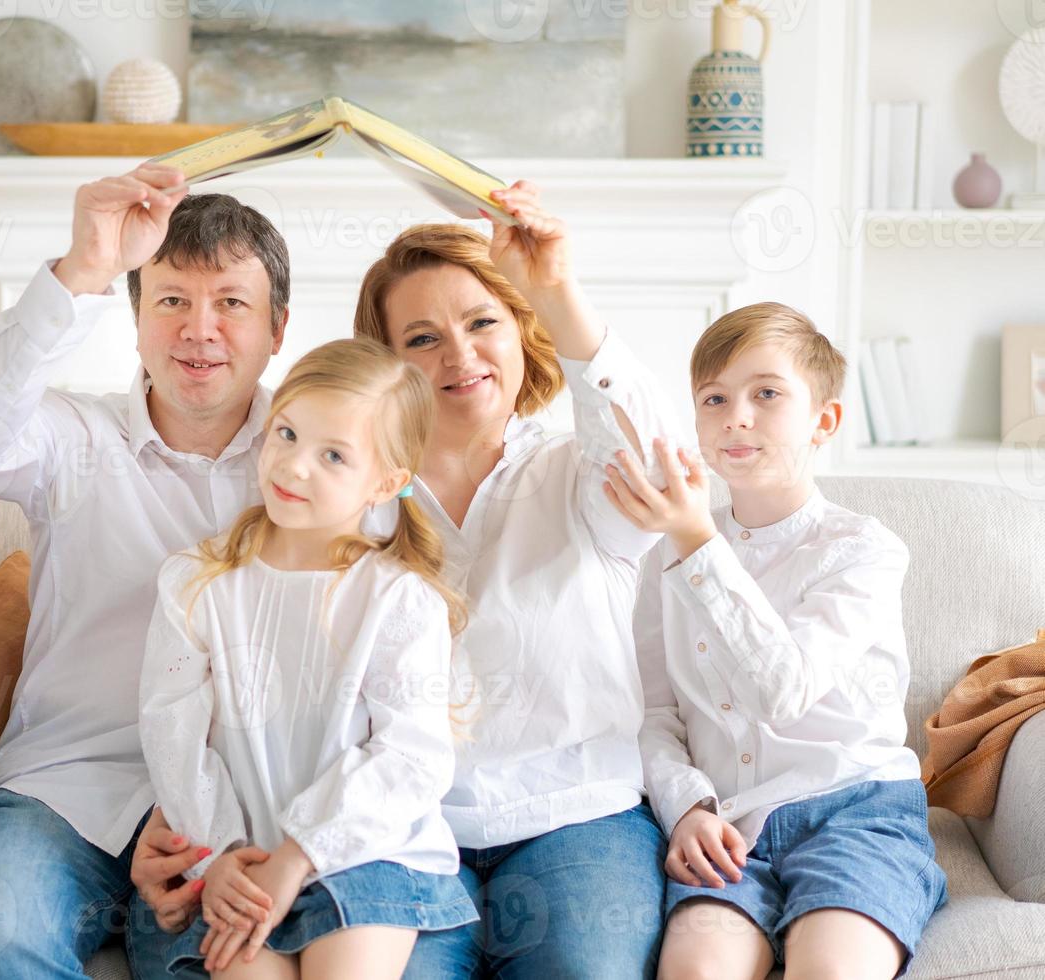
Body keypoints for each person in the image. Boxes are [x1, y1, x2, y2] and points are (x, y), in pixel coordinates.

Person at [0, 164, 291, 978]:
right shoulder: (71, 437)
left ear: (276, 329)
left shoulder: (320, 458)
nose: (199, 330)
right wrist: (85, 266)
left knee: (209, 958)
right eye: (171, 301)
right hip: (68, 783)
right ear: (133, 322)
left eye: (230, 303)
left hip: (234, 795)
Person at [352, 183, 684, 978]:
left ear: (522, 330)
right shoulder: (353, 498)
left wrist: (556, 286)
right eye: (422, 339)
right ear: (388, 367)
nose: (459, 356)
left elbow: (663, 466)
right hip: (407, 827)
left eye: (481, 323)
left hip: (576, 818)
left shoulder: (579, 472)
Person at [605, 302, 947, 979]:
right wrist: (688, 807)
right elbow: (653, 714)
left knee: (832, 970)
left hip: (856, 809)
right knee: (697, 970)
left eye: (766, 393)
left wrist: (695, 541)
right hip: (731, 823)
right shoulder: (663, 559)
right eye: (714, 398)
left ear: (824, 421)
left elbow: (782, 689)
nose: (736, 415)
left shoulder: (863, 551)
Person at [140, 338, 479, 978]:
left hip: (367, 853)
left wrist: (298, 854)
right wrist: (218, 859)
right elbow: (173, 736)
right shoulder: (196, 583)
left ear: (387, 482)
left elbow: (413, 756)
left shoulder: (398, 599)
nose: (294, 467)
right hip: (240, 858)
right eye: (287, 434)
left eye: (333, 455)